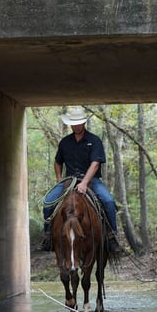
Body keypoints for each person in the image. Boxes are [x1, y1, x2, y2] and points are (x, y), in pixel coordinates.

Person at [41, 106, 120, 253]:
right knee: (47, 203)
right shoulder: (65, 142)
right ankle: (48, 236)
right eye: (73, 123)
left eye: (78, 123)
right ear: (70, 123)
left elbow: (95, 163)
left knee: (108, 201)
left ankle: (111, 236)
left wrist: (84, 183)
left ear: (83, 123)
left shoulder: (94, 141)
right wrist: (59, 178)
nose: (76, 126)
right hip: (69, 179)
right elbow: (58, 161)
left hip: (91, 179)